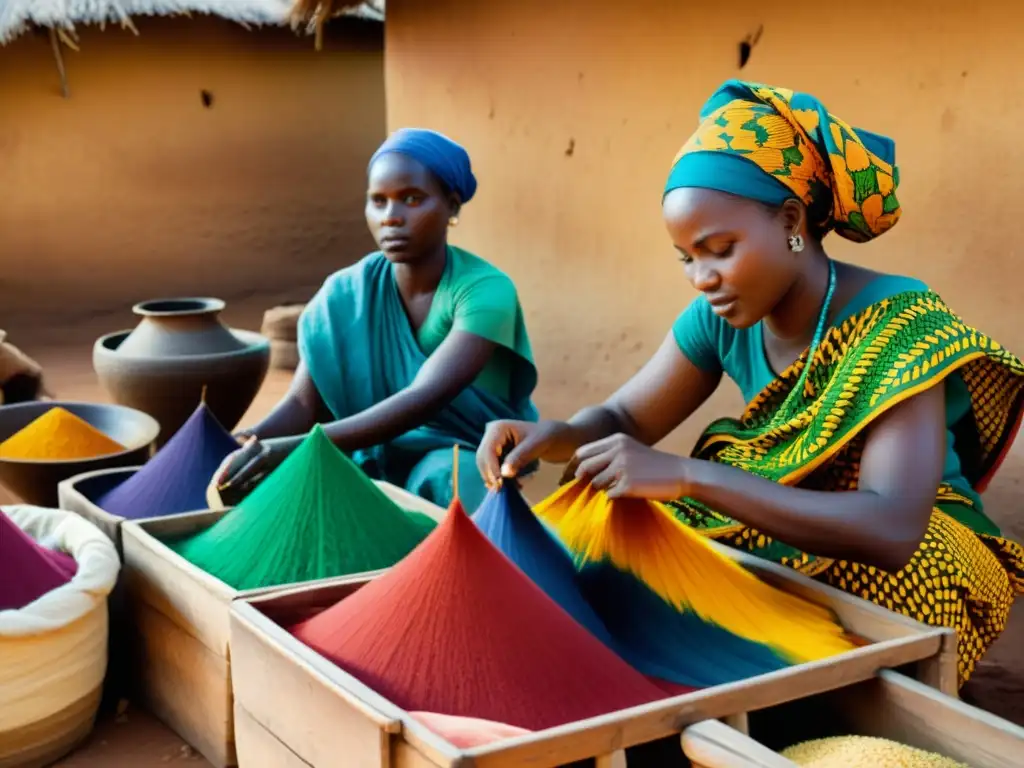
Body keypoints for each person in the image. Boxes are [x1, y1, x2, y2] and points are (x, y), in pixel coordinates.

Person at [477, 80, 1024, 687]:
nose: (702, 278)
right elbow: (626, 420)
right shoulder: (721, 318)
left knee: (896, 587)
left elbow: (890, 528)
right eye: (686, 258)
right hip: (779, 515)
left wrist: (689, 475)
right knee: (623, 545)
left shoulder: (900, 325)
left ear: (792, 220)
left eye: (720, 249)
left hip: (914, 540)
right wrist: (552, 435)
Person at [217, 128, 538, 512]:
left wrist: (291, 449)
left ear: (451, 206)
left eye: (412, 199)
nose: (391, 218)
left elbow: (424, 397)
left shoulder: (484, 291)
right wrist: (248, 443)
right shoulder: (346, 294)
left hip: (460, 454)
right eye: (378, 201)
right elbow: (302, 406)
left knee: (451, 476)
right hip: (362, 459)